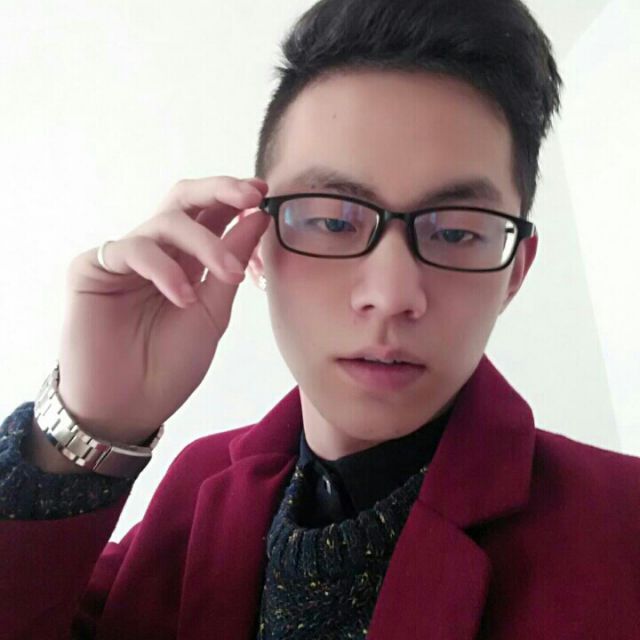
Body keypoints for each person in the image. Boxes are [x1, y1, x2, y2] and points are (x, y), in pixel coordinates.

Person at [1, 0, 639, 637]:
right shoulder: (194, 496)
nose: (391, 295)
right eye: (332, 221)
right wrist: (85, 431)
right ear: (254, 243)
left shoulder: (621, 528)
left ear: (514, 271)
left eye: (455, 232)